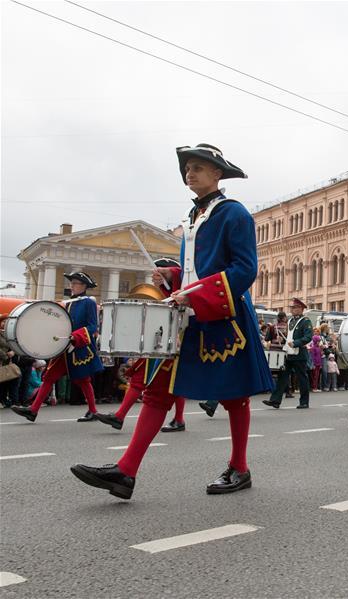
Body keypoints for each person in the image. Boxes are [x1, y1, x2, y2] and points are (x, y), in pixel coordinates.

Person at [70, 143, 273, 499]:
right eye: (187, 169)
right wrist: (174, 275)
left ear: (217, 174)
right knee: (157, 390)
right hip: (187, 316)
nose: (189, 173)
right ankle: (125, 471)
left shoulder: (235, 213)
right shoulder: (192, 217)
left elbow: (244, 269)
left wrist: (195, 292)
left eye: (197, 167)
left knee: (234, 395)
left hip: (223, 315)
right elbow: (198, 269)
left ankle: (240, 467)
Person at [95, 259, 188, 433]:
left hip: (172, 341)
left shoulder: (180, 293)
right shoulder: (161, 294)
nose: (156, 279)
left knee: (168, 381)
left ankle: (121, 416)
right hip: (159, 342)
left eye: (160, 276)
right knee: (156, 379)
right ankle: (122, 416)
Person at [12, 272, 103, 423]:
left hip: (78, 347)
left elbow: (93, 326)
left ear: (84, 286)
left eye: (75, 283)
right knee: (49, 377)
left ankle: (93, 411)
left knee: (83, 380)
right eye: (71, 283)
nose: (71, 286)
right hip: (64, 347)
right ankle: (33, 410)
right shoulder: (69, 302)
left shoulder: (89, 302)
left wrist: (75, 336)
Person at [263, 298, 312, 409]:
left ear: (301, 309)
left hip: (299, 353)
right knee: (282, 377)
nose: (292, 309)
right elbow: (289, 336)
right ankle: (275, 400)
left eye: (294, 308)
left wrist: (296, 343)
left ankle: (304, 402)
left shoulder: (306, 321)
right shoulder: (290, 321)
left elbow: (308, 337)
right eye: (292, 308)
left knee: (302, 378)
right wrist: (283, 339)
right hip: (288, 353)